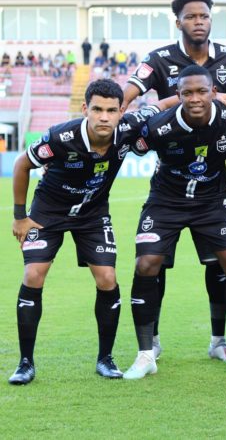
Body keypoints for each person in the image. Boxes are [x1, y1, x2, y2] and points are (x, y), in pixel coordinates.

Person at [8, 79, 171, 385]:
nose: (104, 117)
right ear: (85, 109)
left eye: (111, 110)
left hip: (92, 214)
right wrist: (20, 217)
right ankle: (25, 363)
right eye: (97, 109)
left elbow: (162, 104)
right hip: (48, 212)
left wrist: (213, 98)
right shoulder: (61, 137)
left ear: (121, 111)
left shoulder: (129, 128)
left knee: (107, 278)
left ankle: (105, 359)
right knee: (33, 274)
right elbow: (21, 164)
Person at [123, 0, 226, 363]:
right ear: (178, 22)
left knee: (221, 263)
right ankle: (152, 342)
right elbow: (130, 93)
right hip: (171, 174)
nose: (198, 22)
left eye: (204, 15)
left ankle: (219, 341)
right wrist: (127, 110)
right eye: (191, 16)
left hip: (212, 177)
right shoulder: (159, 59)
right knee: (153, 263)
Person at [123, 65, 226, 380]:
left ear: (214, 92)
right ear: (178, 95)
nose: (195, 98)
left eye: (202, 91)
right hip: (166, 201)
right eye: (187, 93)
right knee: (146, 264)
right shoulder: (160, 127)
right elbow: (126, 145)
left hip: (213, 201)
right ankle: (145, 355)